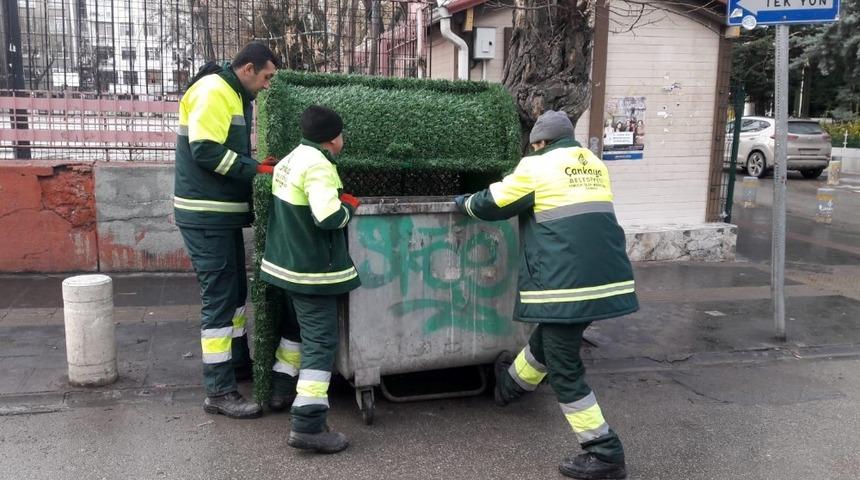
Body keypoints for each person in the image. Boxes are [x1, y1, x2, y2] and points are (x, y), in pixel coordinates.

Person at [454, 110, 638, 480]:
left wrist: (463, 203)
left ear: (539, 142)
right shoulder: (594, 164)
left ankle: (604, 451)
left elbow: (494, 203)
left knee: (563, 366)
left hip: (566, 282)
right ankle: (509, 387)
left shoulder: (536, 166)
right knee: (551, 339)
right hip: (605, 278)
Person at [174, 42, 280, 419]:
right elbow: (205, 150)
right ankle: (219, 392)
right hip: (206, 215)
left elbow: (221, 148)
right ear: (248, 68)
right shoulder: (214, 90)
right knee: (220, 299)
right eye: (266, 76)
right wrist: (254, 170)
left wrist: (255, 164)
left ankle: (236, 366)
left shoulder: (231, 93)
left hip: (220, 215)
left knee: (235, 294)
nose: (268, 85)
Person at [260, 105, 362, 454]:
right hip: (311, 273)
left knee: (295, 331)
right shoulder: (319, 165)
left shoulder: (291, 159)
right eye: (342, 134)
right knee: (320, 341)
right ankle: (309, 424)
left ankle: (281, 389)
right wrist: (348, 204)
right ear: (333, 138)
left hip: (285, 267)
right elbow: (328, 217)